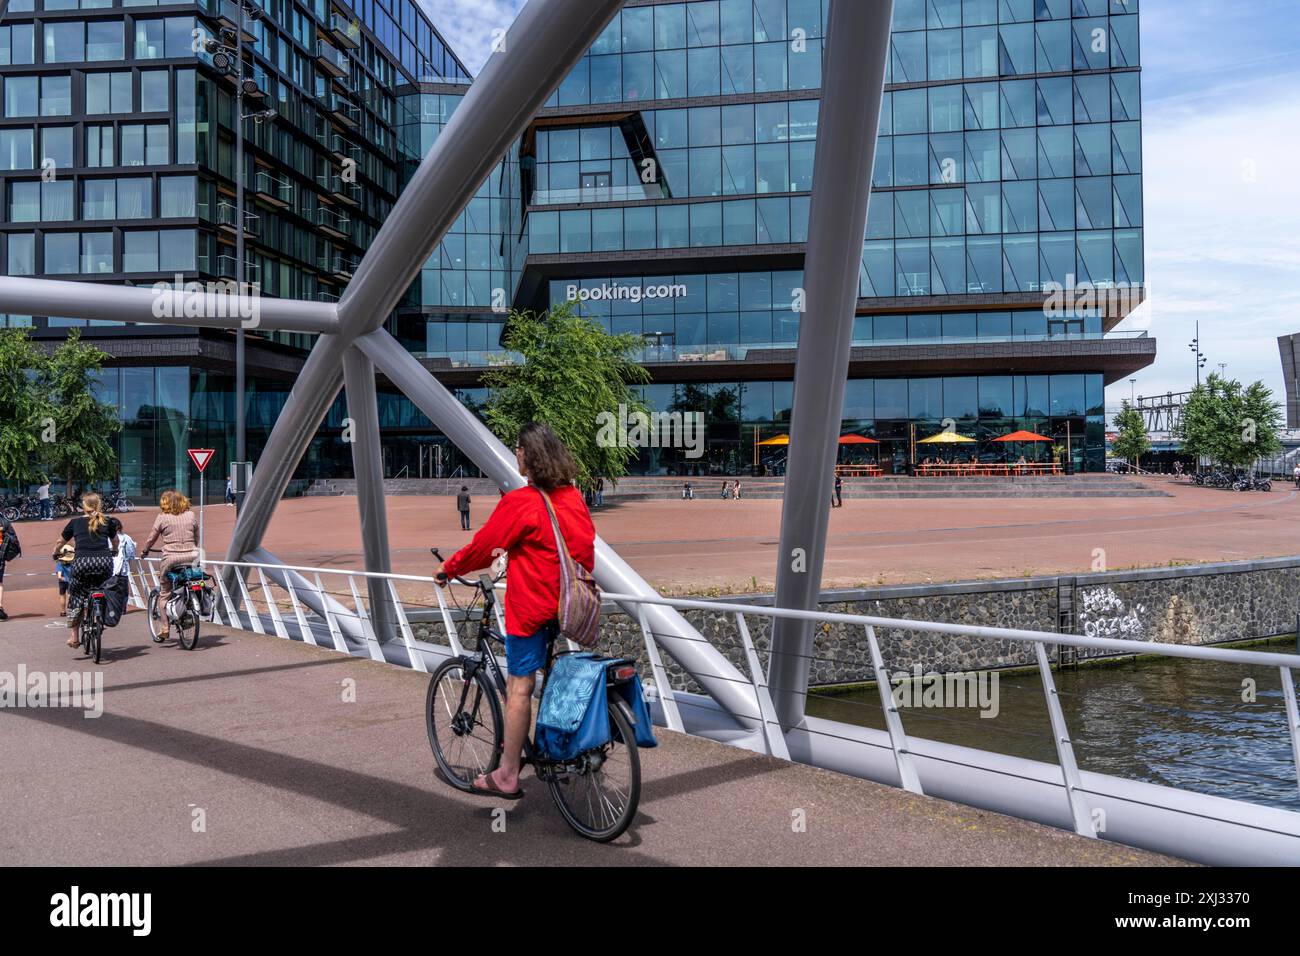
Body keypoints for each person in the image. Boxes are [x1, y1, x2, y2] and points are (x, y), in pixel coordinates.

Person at [435, 422, 595, 800]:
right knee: (555, 676)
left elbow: (483, 546)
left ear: (529, 456)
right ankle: (557, 745)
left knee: (519, 687)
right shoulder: (573, 497)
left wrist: (449, 568)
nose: (516, 455)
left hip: (532, 608)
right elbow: (584, 548)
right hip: (568, 605)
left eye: (518, 450)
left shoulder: (523, 502)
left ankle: (507, 775)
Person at [59, 493, 121, 650]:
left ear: (84, 506)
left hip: (82, 563)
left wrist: (56, 551)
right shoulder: (108, 521)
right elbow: (116, 541)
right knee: (103, 588)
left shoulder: (75, 522)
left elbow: (61, 541)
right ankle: (100, 615)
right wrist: (114, 551)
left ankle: (74, 637)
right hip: (104, 563)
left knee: (76, 595)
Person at [140, 490, 200, 643]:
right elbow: (196, 536)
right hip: (193, 556)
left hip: (171, 559)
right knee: (190, 580)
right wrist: (192, 548)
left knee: (164, 593)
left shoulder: (162, 517)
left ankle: (165, 628)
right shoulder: (191, 515)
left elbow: (151, 537)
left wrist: (145, 550)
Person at [53, 539, 75, 616]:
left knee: (62, 595)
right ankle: (71, 610)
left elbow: (59, 575)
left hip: (62, 582)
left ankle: (63, 611)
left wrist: (62, 578)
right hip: (71, 581)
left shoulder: (60, 563)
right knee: (71, 595)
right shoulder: (73, 563)